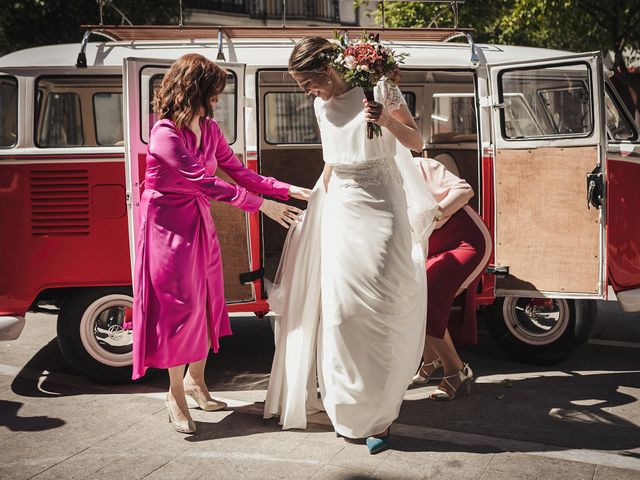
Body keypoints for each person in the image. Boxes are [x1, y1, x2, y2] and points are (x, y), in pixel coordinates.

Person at [264, 37, 437, 454]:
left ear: (327, 70)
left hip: (382, 204)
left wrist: (385, 119)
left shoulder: (380, 89)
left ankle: (379, 415)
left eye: (308, 82)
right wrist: (316, 202)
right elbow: (332, 157)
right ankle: (347, 409)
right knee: (340, 312)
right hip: (341, 204)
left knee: (379, 306)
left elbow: (416, 143)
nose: (307, 92)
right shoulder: (319, 103)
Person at [132, 53, 311, 434]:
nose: (217, 99)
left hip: (198, 223)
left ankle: (197, 380)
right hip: (167, 228)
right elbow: (203, 181)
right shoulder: (165, 132)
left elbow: (239, 171)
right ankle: (175, 395)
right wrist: (261, 206)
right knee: (179, 307)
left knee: (209, 299)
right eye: (213, 93)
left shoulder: (210, 130)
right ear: (193, 89)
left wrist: (288, 190)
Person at [411, 157, 492, 400]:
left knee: (427, 295)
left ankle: (456, 370)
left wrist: (433, 216)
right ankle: (429, 361)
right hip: (428, 248)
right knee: (410, 292)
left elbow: (465, 191)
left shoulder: (420, 166)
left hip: (465, 242)